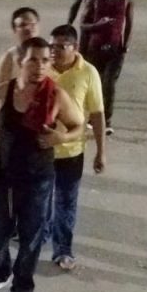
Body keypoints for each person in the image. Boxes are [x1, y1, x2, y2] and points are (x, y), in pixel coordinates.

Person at [0, 37, 84, 292]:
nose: (40, 67)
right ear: (20, 62)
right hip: (5, 177)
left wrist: (61, 137)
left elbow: (78, 125)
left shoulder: (55, 95)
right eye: (33, 60)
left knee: (31, 238)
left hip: (39, 180)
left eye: (45, 60)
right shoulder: (2, 93)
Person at [47, 24, 106, 271]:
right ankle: (37, 237)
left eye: (61, 46)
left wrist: (101, 152)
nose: (54, 51)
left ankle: (63, 249)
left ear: (75, 47)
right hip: (41, 150)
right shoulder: (42, 69)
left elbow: (97, 114)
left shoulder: (88, 73)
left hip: (71, 152)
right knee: (39, 201)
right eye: (52, 46)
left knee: (66, 202)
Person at [80, 0, 133, 135]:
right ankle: (91, 118)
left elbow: (129, 23)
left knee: (109, 83)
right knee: (95, 84)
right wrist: (98, 25)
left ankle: (107, 121)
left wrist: (126, 45)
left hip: (115, 49)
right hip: (95, 48)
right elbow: (83, 24)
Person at [0, 6, 39, 86]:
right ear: (15, 30)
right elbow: (0, 90)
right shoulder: (9, 58)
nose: (28, 28)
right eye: (23, 25)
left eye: (32, 24)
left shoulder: (49, 53)